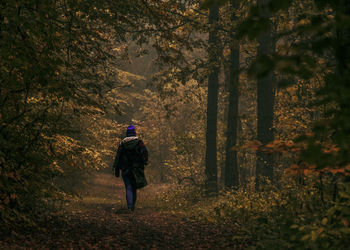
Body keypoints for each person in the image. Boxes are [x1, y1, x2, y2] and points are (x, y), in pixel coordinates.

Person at [112, 125, 148, 211]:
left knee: (128, 187)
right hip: (136, 169)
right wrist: (144, 162)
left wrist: (116, 168)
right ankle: (132, 207)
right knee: (134, 187)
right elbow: (144, 153)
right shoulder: (139, 142)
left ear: (127, 133)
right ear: (134, 132)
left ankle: (129, 206)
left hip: (125, 169)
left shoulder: (122, 143)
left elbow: (118, 156)